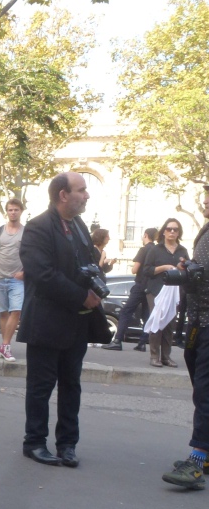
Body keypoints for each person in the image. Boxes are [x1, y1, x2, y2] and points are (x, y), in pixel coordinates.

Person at [18, 172, 111, 467]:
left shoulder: (79, 225)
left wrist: (97, 282)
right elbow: (43, 275)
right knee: (41, 387)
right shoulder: (38, 227)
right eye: (81, 190)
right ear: (63, 195)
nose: (86, 195)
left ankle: (67, 444)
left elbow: (86, 264)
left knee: (71, 385)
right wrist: (81, 296)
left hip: (76, 323)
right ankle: (34, 442)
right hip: (46, 322)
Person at [162, 191, 209, 490]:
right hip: (198, 321)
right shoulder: (206, 229)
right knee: (200, 387)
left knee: (205, 391)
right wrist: (189, 269)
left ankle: (197, 460)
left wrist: (193, 274)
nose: (205, 201)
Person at [142, 218, 189, 368]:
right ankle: (154, 356)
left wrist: (182, 267)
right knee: (158, 321)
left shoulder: (183, 251)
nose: (172, 232)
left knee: (170, 323)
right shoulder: (155, 250)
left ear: (179, 232)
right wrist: (164, 267)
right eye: (169, 229)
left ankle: (166, 357)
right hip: (156, 290)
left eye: (175, 229)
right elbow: (146, 270)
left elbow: (187, 271)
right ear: (164, 232)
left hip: (175, 291)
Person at [102, 227, 157, 351]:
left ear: (146, 235)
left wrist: (135, 267)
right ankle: (142, 342)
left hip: (140, 285)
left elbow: (134, 269)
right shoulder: (157, 250)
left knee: (126, 312)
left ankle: (117, 340)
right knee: (146, 315)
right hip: (151, 286)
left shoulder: (144, 249)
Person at [0, 198, 25, 361]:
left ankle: (5, 346)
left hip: (17, 279)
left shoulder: (26, 232)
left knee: (16, 310)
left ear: (21, 211)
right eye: (10, 210)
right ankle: (4, 346)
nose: (13, 212)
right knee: (3, 313)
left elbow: (32, 255)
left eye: (16, 209)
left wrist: (25, 272)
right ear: (6, 212)